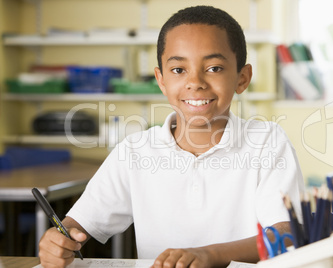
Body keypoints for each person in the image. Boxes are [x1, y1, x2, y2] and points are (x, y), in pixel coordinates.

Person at [38, 5, 304, 268]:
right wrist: (58, 241)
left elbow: (287, 234)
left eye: (214, 68)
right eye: (178, 70)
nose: (195, 82)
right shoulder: (135, 151)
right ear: (161, 79)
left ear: (242, 78)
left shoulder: (268, 141)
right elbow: (79, 224)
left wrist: (209, 255)